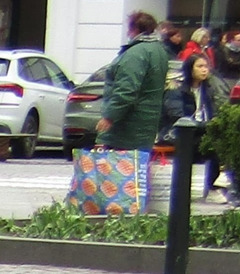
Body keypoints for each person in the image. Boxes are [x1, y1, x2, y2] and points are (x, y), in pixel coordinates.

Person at [98, 12, 170, 152]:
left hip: (128, 128)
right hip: (147, 124)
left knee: (120, 170)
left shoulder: (135, 53)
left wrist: (110, 116)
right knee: (138, 169)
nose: (127, 32)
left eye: (129, 29)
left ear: (135, 29)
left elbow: (126, 90)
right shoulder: (159, 50)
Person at [175, 50, 230, 193]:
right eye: (199, 66)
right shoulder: (178, 88)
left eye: (206, 66)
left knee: (218, 144)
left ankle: (212, 186)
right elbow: (177, 115)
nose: (204, 70)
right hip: (183, 133)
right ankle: (189, 191)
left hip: (203, 130)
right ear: (189, 68)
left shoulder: (210, 88)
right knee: (210, 143)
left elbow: (218, 109)